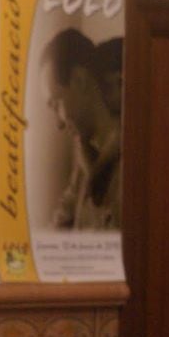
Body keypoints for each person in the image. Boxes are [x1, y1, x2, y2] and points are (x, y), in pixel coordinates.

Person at [40, 28, 123, 230]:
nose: (59, 124)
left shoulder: (135, 164)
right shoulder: (83, 154)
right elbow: (59, 223)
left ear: (79, 80)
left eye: (57, 103)